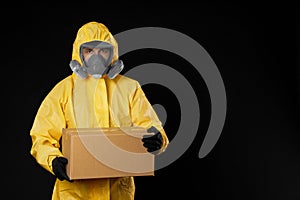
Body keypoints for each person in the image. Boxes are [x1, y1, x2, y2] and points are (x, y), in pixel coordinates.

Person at [29, 21, 169, 200]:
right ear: (79, 54)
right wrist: (53, 160)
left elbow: (150, 124)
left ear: (112, 53)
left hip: (118, 191)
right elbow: (41, 136)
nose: (96, 57)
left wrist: (158, 138)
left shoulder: (129, 88)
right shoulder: (64, 90)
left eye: (103, 51)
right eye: (89, 51)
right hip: (75, 193)